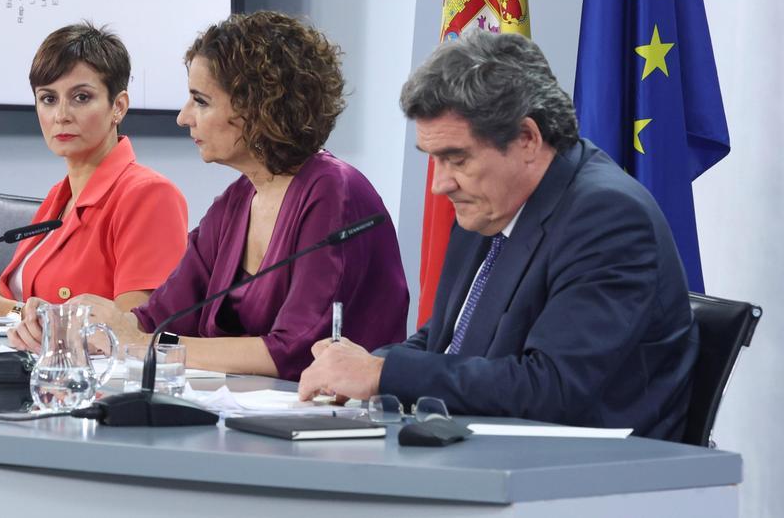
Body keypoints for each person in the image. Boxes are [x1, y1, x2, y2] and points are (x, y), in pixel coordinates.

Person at [298, 31, 698, 440]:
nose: (441, 184)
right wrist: (360, 366)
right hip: (484, 452)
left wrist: (383, 374)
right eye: (434, 160)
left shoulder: (608, 218)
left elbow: (552, 387)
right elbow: (445, 342)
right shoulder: (490, 204)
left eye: (457, 159)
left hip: (590, 481)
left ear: (527, 139)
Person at [9, 11, 409, 381]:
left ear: (258, 107)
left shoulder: (332, 193)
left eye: (201, 100)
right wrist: (71, 321)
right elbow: (153, 319)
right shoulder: (237, 201)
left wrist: (144, 344)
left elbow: (297, 351)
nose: (184, 117)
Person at [0, 22, 188, 317]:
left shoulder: (149, 195)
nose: (61, 115)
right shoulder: (59, 197)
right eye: (48, 99)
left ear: (119, 106)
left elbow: (137, 330)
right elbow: (7, 296)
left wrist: (6, 310)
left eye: (81, 97)